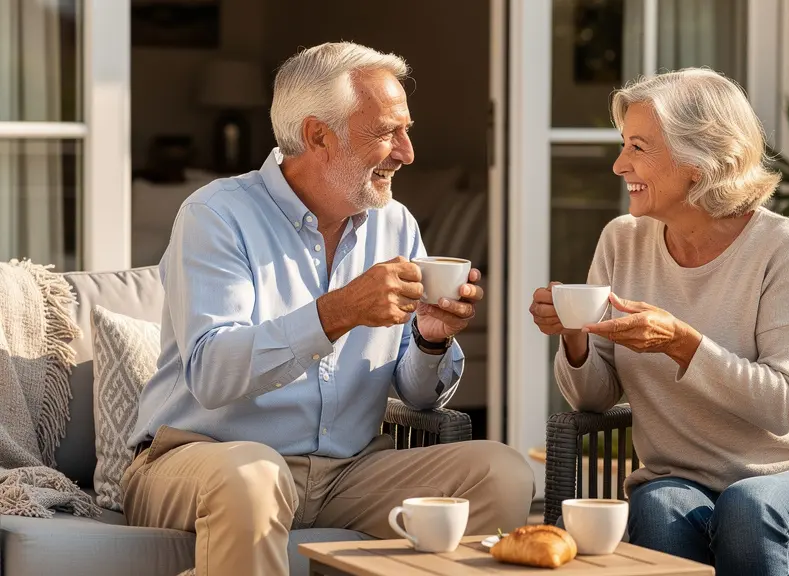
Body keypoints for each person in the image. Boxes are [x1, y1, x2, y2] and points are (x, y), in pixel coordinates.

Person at [125, 41, 534, 576]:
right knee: (254, 474)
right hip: (204, 460)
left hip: (347, 472)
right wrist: (337, 312)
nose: (407, 152)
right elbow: (211, 373)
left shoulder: (396, 224)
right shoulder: (217, 215)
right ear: (318, 135)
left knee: (500, 472)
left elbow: (418, 395)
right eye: (388, 132)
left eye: (406, 130)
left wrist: (431, 339)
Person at [530, 68, 789, 575]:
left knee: (747, 507)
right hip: (684, 478)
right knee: (655, 504)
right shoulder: (621, 240)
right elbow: (592, 400)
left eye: (638, 148)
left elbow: (783, 405)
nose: (617, 164)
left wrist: (682, 344)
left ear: (698, 163)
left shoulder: (784, 247)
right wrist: (575, 335)